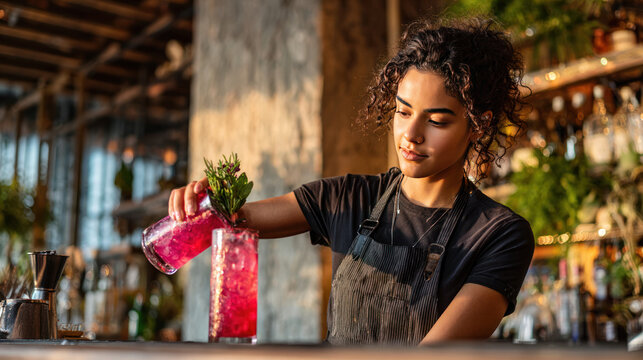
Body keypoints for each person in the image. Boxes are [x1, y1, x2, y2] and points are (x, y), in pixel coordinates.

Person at [169, 17, 534, 346]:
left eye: (436, 121)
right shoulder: (347, 197)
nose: (411, 134)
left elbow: (433, 357)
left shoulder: (499, 236)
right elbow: (233, 220)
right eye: (403, 112)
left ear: (480, 124)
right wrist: (202, 203)